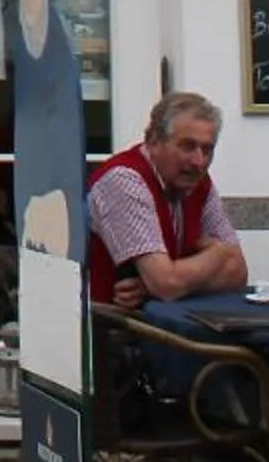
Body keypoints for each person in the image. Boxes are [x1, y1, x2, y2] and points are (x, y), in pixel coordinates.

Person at [86, 90, 247, 307]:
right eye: (187, 146)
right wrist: (218, 252)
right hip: (111, 327)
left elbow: (238, 273)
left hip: (165, 323)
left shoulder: (199, 182)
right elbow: (166, 284)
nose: (199, 161)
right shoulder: (124, 179)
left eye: (207, 149)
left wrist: (151, 288)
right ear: (153, 141)